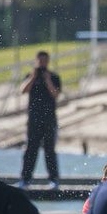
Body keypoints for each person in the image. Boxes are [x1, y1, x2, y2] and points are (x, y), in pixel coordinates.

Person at [17, 50, 62, 190]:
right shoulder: (30, 76)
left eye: (44, 61)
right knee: (31, 149)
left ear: (48, 61)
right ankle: (25, 179)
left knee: (50, 150)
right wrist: (33, 77)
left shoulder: (54, 77)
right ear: (36, 61)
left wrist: (47, 79)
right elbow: (23, 90)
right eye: (40, 61)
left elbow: (56, 94)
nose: (42, 63)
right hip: (33, 119)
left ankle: (53, 179)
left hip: (49, 119)